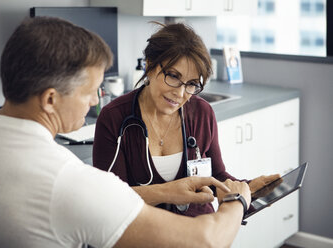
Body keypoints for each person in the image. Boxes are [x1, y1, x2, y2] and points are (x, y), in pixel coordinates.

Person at [0, 16, 252, 248]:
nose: (95, 100)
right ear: (50, 99)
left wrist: (246, 186)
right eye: (90, 91)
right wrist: (238, 202)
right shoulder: (71, 181)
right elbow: (208, 240)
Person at [93, 22, 279, 216]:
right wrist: (167, 193)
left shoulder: (201, 113)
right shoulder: (114, 118)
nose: (180, 93)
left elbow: (215, 176)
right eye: (173, 76)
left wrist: (248, 189)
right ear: (149, 66)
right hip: (143, 232)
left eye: (191, 84)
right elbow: (110, 199)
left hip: (196, 229)